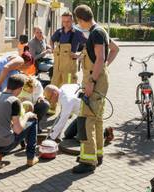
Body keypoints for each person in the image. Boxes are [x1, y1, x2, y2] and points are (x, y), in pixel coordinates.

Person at [72, 5, 119, 174]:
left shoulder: (96, 33)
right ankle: (97, 155)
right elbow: (115, 49)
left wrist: (92, 80)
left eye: (77, 21)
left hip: (95, 82)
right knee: (97, 118)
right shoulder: (100, 31)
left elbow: (100, 57)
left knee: (85, 120)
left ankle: (88, 161)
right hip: (99, 80)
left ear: (80, 19)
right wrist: (104, 68)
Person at [0, 74, 39, 168]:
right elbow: (18, 130)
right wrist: (27, 115)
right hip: (5, 142)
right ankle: (31, 157)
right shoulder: (14, 101)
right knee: (32, 120)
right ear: (20, 88)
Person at [50, 11, 86, 88]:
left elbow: (88, 45)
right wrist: (52, 49)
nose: (65, 23)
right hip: (57, 68)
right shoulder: (59, 32)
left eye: (68, 21)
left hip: (69, 69)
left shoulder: (77, 33)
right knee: (54, 89)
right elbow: (51, 40)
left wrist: (80, 55)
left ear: (72, 21)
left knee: (68, 88)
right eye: (63, 21)